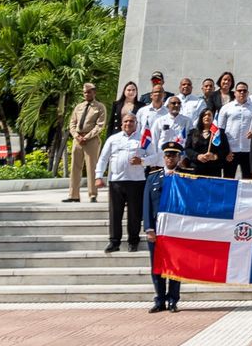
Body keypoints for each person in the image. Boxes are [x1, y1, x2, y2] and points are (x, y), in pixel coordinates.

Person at [95, 111, 149, 253]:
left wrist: (142, 161)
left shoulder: (144, 139)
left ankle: (133, 241)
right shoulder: (113, 139)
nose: (128, 124)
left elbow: (155, 156)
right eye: (126, 121)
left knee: (134, 214)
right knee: (115, 213)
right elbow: (103, 158)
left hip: (136, 181)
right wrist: (98, 176)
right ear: (121, 124)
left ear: (136, 124)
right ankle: (114, 242)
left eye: (131, 121)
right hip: (116, 181)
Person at [142, 142, 183, 313]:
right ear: (163, 157)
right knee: (157, 266)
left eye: (173, 156)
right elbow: (146, 204)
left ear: (178, 158)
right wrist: (149, 228)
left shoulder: (186, 178)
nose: (170, 159)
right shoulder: (153, 177)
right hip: (157, 229)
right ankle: (160, 300)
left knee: (175, 266)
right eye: (167, 155)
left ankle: (173, 299)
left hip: (177, 229)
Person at [64, 83, 106, 203]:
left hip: (91, 140)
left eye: (89, 92)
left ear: (94, 92)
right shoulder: (79, 107)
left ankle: (93, 194)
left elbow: (100, 125)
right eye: (84, 92)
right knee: (75, 168)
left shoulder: (99, 107)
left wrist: (87, 137)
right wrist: (77, 136)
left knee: (92, 167)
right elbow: (72, 123)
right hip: (77, 140)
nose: (86, 94)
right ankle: (73, 195)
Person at [217, 82, 252, 179]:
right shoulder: (226, 108)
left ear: (248, 93)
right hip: (231, 151)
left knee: (248, 180)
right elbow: (221, 130)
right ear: (235, 93)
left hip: (248, 150)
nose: (242, 93)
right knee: (228, 179)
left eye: (244, 91)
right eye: (239, 90)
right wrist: (226, 150)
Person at [183, 109, 230, 176]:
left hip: (214, 169)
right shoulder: (193, 132)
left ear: (213, 118)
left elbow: (225, 150)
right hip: (196, 168)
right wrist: (197, 156)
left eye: (209, 115)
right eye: (204, 115)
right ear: (201, 118)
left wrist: (214, 156)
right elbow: (187, 149)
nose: (207, 117)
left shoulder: (219, 133)